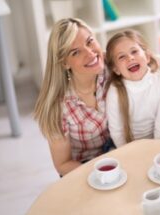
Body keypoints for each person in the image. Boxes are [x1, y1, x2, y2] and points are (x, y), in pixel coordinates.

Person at [34, 18, 112, 176]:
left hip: (122, 151)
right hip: (85, 169)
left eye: (90, 41)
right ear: (64, 63)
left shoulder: (113, 65)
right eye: (76, 52)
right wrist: (102, 172)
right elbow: (63, 164)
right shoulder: (58, 106)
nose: (90, 53)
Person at [105, 29, 160, 147]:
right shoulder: (115, 92)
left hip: (159, 138)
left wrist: (156, 150)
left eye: (134, 51)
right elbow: (117, 132)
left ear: (147, 56)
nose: (130, 58)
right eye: (121, 57)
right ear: (116, 69)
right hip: (126, 145)